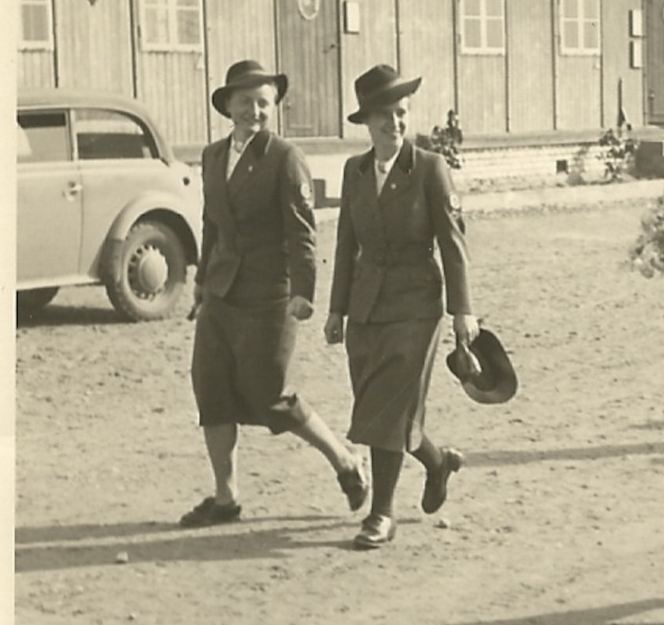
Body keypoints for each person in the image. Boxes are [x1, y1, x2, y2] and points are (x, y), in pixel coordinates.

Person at [182, 60, 366, 528]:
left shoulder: (285, 158)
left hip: (270, 297)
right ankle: (226, 499)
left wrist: (304, 291)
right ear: (228, 105)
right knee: (212, 389)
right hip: (221, 293)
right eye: (245, 101)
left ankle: (346, 462)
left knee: (269, 394)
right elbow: (210, 225)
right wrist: (203, 282)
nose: (255, 110)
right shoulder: (211, 156)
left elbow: (303, 231)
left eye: (264, 102)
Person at [325, 65, 478, 549]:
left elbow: (453, 245)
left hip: (416, 305)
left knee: (389, 407)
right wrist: (336, 310)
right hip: (366, 306)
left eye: (401, 113)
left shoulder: (429, 168)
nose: (394, 123)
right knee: (377, 408)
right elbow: (346, 242)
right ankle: (438, 462)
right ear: (367, 122)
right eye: (384, 115)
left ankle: (382, 515)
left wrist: (463, 311)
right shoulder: (354, 171)